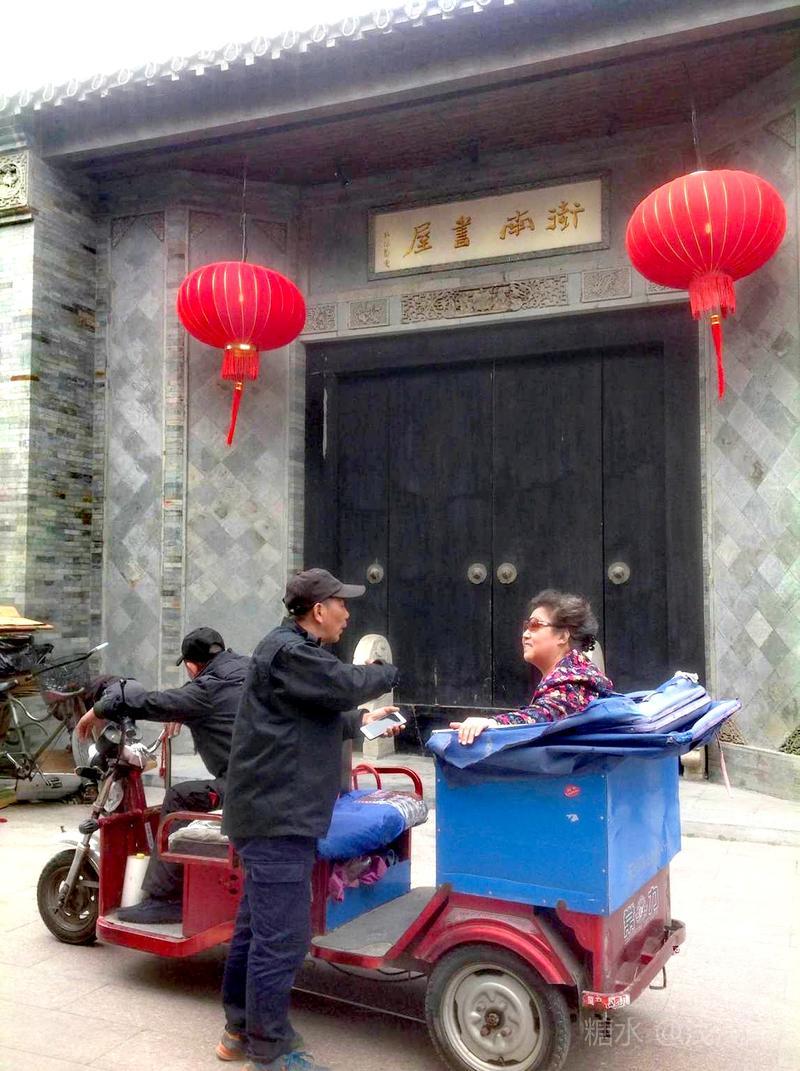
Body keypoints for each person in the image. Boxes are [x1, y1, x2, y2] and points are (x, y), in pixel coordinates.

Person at [219, 568, 400, 1071]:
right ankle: (269, 1047)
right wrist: (387, 672)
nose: (347, 614)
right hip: (277, 819)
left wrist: (360, 720)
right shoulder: (290, 652)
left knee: (256, 931)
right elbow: (343, 684)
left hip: (271, 815)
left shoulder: (292, 655)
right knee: (283, 940)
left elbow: (307, 715)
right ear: (319, 610)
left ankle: (239, 1029)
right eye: (342, 604)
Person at [75, 626, 249, 923]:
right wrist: (183, 708)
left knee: (179, 797)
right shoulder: (247, 668)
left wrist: (99, 709)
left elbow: (148, 701)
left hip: (245, 786)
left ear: (191, 666)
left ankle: (165, 898)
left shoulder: (204, 692)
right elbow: (208, 697)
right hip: (275, 778)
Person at [452, 589, 613, 745]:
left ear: (563, 636)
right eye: (526, 627)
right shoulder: (575, 673)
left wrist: (491, 723)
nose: (525, 634)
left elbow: (542, 717)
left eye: (535, 625)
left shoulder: (573, 680)